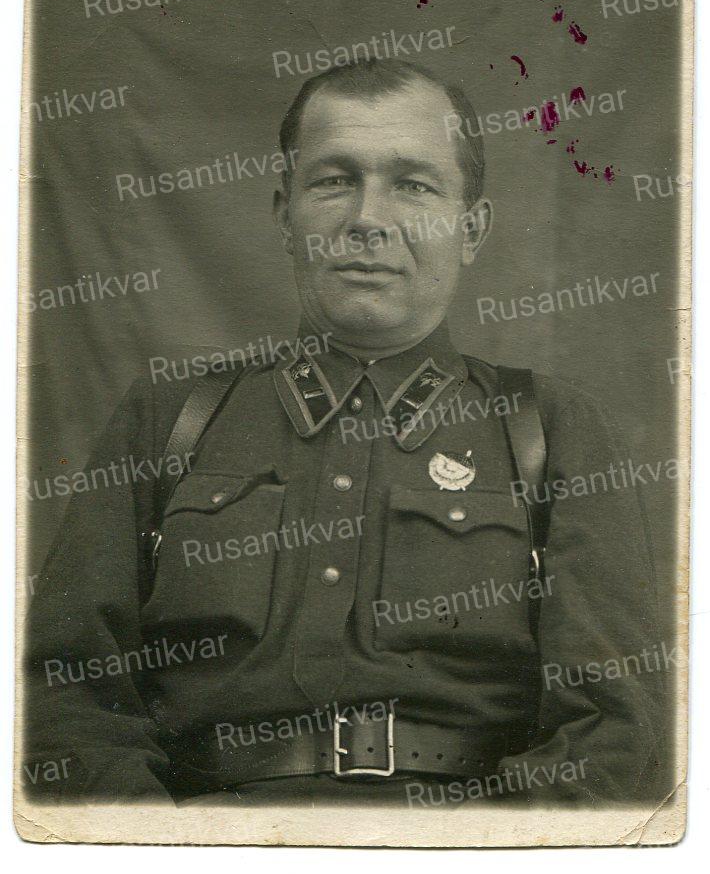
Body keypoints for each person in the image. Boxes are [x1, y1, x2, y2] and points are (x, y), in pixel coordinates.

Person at [25, 59, 663, 805]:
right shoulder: (170, 420)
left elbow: (614, 728)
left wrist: (484, 849)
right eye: (334, 180)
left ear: (471, 228)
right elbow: (64, 698)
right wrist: (162, 846)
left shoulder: (548, 431)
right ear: (283, 215)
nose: (367, 219)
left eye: (413, 185)